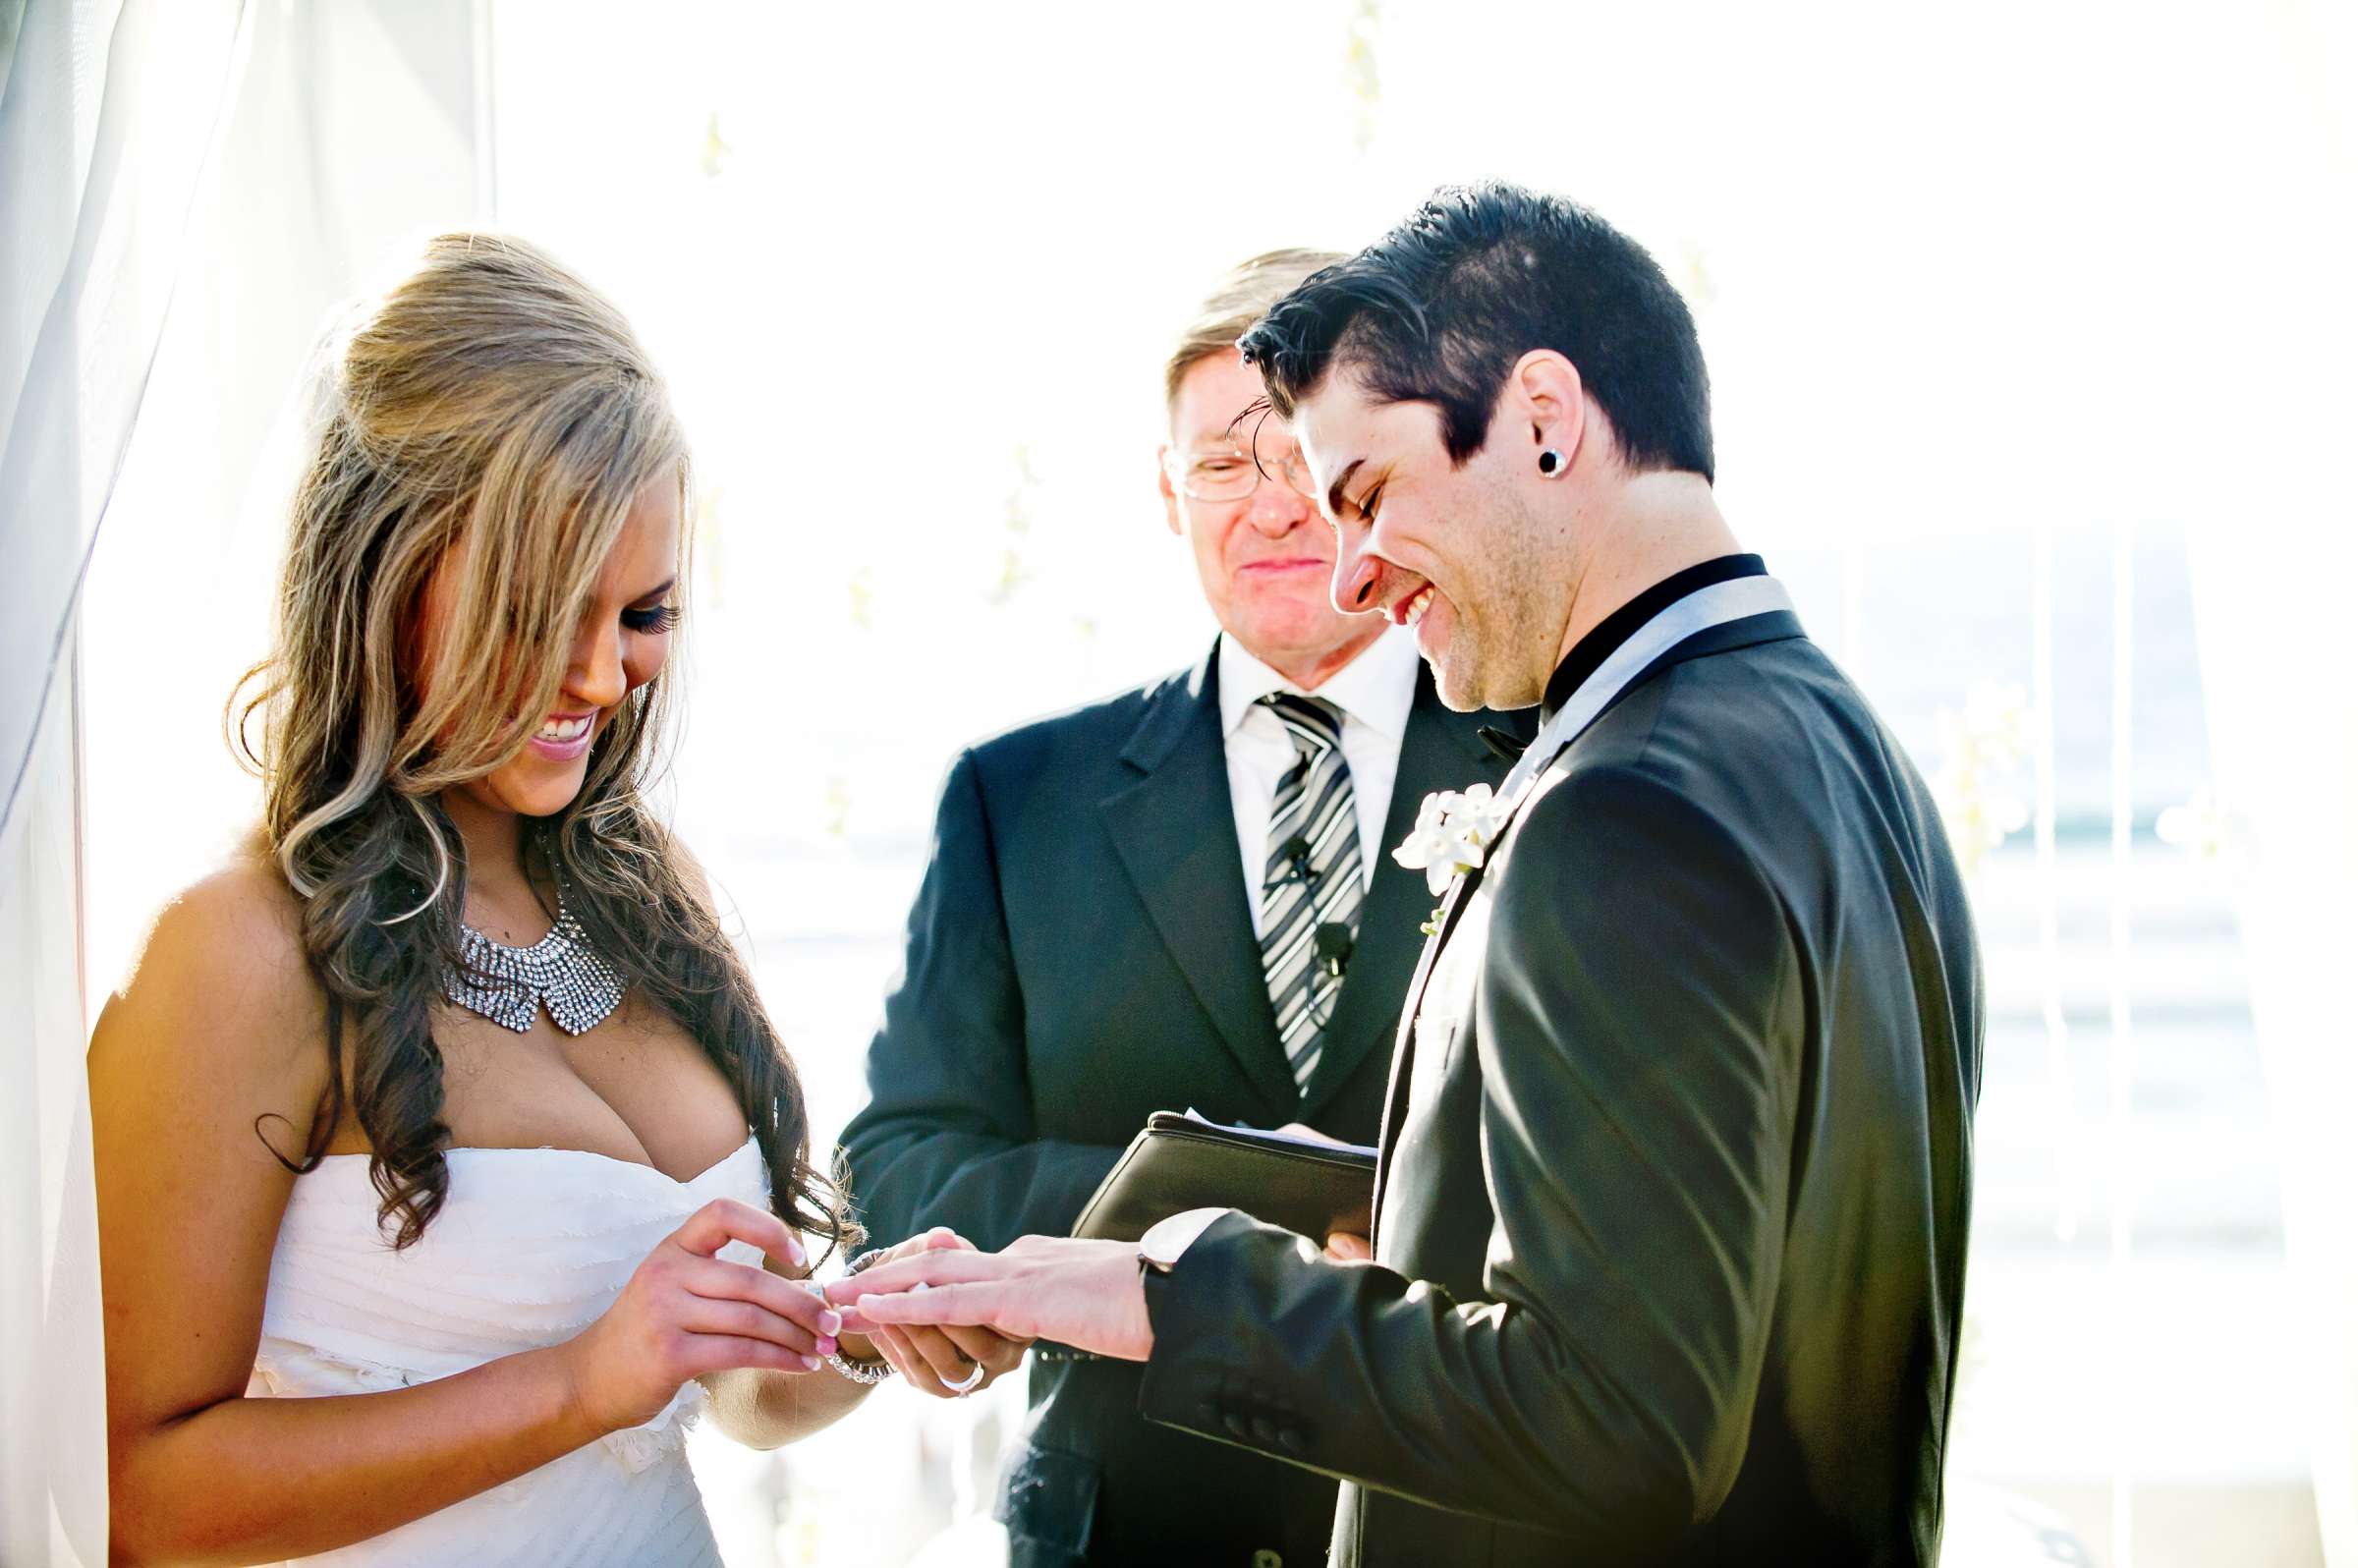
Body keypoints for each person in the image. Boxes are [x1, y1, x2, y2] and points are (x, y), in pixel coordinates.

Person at [834, 182, 1985, 1568]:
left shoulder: (1619, 813)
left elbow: (1609, 1419)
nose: (1353, 565)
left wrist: (1179, 1289)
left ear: (1546, 423)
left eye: (1368, 493)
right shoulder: (1848, 752)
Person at [87, 234, 1022, 1567]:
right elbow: (140, 1500)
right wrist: (583, 1380)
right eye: (539, 617)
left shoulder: (651, 892)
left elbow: (729, 1400)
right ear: (380, 575)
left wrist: (864, 1333)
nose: (597, 678)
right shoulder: (238, 954)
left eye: (644, 614)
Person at [837, 250, 1522, 1567]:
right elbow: (897, 1169)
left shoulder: (1535, 761)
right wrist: (1185, 1219)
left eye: (1304, 464)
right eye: (1222, 464)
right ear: (1165, 491)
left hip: (1450, 1519)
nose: (1271, 511)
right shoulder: (1015, 799)